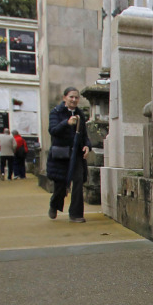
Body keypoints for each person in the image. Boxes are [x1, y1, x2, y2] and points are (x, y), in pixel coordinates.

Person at [47, 87, 90, 222]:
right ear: (64, 98)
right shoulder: (56, 112)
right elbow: (53, 130)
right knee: (60, 186)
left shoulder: (80, 114)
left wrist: (87, 146)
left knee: (78, 182)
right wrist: (66, 123)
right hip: (61, 154)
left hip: (76, 154)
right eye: (71, 97)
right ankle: (54, 205)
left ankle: (76, 214)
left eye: (76, 97)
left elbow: (84, 135)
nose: (74, 99)